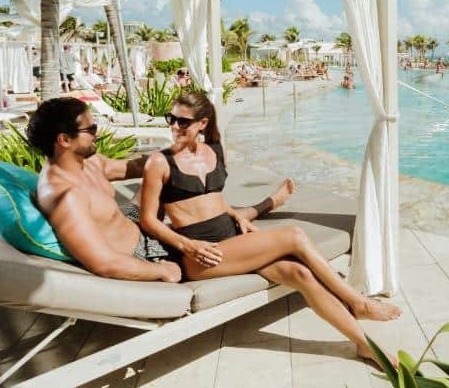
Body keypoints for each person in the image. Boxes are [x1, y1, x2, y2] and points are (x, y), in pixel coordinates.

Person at [138, 91, 400, 363]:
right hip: (203, 255)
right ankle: (357, 302)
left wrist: (234, 214)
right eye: (171, 119)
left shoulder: (215, 150)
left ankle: (364, 345)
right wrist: (188, 245)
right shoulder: (158, 162)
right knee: (294, 235)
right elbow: (148, 219)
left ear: (202, 123)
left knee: (299, 274)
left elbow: (210, 199)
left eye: (183, 122)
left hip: (234, 240)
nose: (174, 126)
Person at [28, 98, 293, 283]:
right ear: (64, 140)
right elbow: (103, 262)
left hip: (129, 219)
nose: (97, 133)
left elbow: (130, 167)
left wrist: (183, 157)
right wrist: (160, 271)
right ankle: (265, 205)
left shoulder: (85, 161)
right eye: (91, 128)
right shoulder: (65, 196)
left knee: (178, 186)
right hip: (140, 250)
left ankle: (259, 207)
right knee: (197, 206)